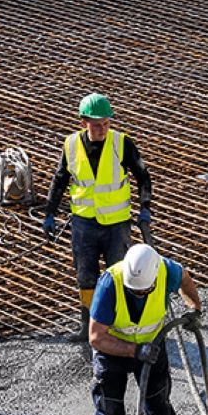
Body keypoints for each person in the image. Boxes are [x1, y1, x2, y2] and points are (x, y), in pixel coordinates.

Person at [89, 241, 203, 415]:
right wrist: (133, 350)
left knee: (159, 404)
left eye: (143, 291)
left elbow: (185, 279)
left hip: (152, 346)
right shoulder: (110, 283)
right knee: (109, 413)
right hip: (114, 349)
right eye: (135, 291)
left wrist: (195, 308)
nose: (138, 294)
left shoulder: (166, 270)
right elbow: (96, 337)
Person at [42, 92, 154, 341]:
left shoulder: (122, 143)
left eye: (106, 123)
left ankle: (124, 326)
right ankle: (89, 326)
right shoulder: (71, 145)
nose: (102, 128)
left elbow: (143, 177)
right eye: (96, 124)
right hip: (84, 225)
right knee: (86, 276)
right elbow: (60, 179)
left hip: (117, 225)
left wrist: (145, 207)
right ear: (83, 122)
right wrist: (49, 213)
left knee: (121, 274)